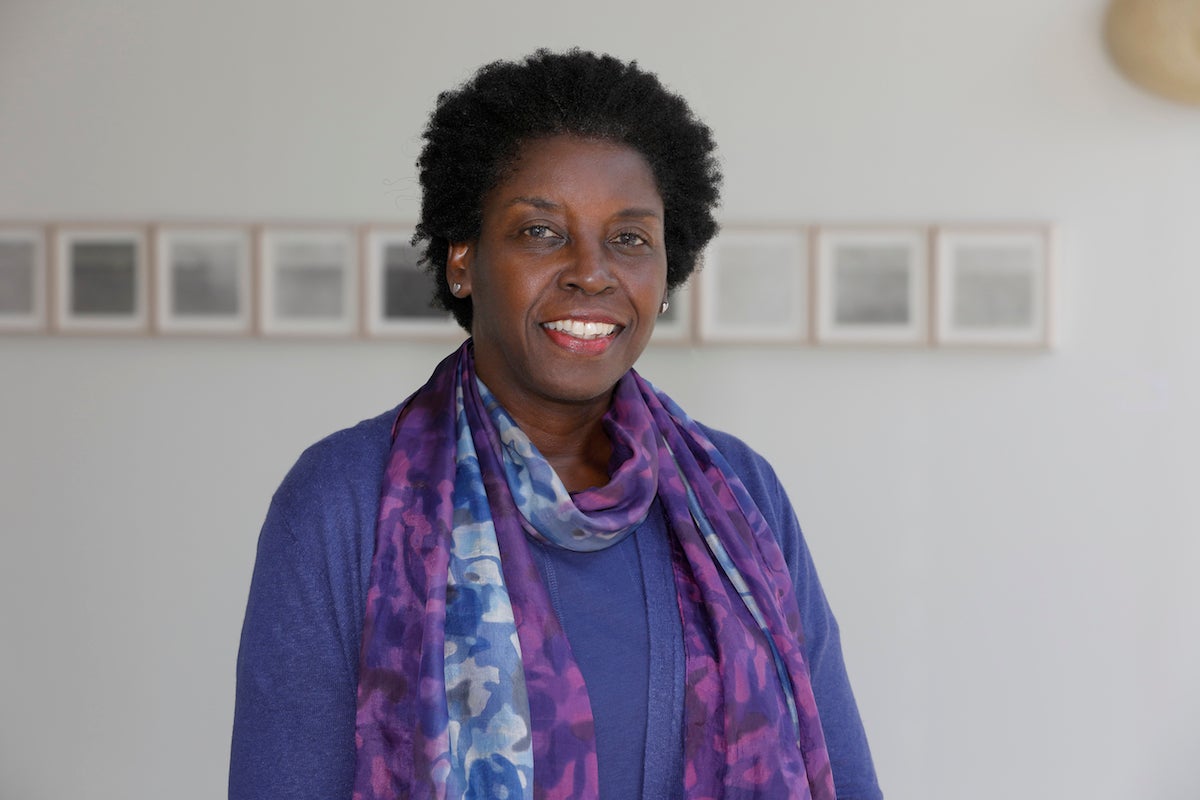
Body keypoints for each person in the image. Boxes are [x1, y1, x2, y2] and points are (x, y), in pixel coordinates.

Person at [230, 49, 882, 800]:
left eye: (629, 238)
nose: (591, 272)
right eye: (541, 231)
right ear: (462, 259)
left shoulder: (741, 494)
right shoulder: (344, 500)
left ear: (667, 273)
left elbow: (845, 779)